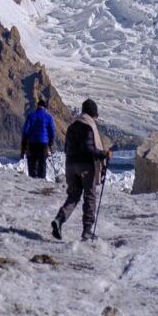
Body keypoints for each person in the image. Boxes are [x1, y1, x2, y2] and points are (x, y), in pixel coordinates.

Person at [51, 98, 110, 242]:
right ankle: (87, 231)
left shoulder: (72, 127)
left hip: (71, 165)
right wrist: (104, 154)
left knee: (73, 195)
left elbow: (66, 148)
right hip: (86, 166)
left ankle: (59, 220)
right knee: (90, 196)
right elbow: (89, 149)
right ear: (92, 113)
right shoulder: (88, 126)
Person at [19, 95, 57, 179]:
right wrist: (50, 144)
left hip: (32, 144)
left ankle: (32, 182)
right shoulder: (49, 117)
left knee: (32, 164)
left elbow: (25, 131)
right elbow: (52, 132)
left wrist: (24, 146)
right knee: (42, 164)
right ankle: (41, 183)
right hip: (43, 144)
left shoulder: (31, 116)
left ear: (37, 106)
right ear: (45, 107)